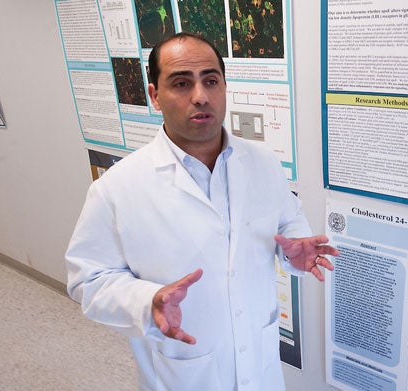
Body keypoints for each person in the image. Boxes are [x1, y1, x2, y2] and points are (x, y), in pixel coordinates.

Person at [65, 32, 339, 391]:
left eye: (211, 80)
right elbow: (88, 280)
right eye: (181, 83)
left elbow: (288, 220)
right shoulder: (117, 188)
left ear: (224, 86)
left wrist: (296, 249)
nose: (200, 96)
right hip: (182, 372)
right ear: (155, 96)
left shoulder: (263, 163)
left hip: (260, 366)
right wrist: (147, 301)